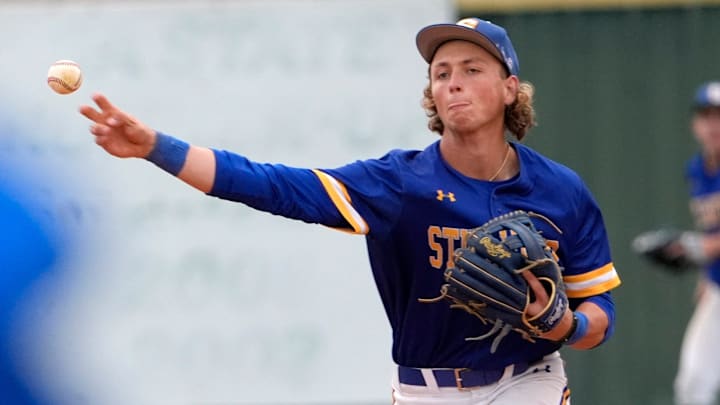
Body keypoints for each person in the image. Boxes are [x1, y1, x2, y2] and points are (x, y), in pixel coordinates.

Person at [79, 17, 621, 405]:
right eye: (441, 72)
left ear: (509, 89)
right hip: (425, 388)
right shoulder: (399, 183)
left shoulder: (560, 191)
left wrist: (565, 324)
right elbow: (274, 186)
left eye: (472, 68)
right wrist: (156, 147)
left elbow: (601, 313)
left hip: (528, 380)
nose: (452, 80)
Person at [671, 81, 720, 405]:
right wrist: (705, 273)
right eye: (707, 116)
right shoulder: (697, 170)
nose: (713, 124)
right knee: (693, 385)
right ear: (695, 124)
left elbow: (709, 241)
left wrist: (702, 248)